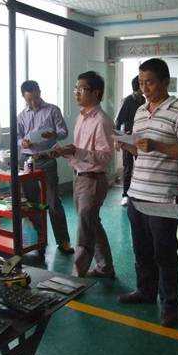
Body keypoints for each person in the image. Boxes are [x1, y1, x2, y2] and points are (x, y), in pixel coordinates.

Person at [116, 58, 178, 327]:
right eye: (141, 83)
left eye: (149, 82)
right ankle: (145, 291)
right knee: (141, 249)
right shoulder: (140, 111)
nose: (145, 88)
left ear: (165, 82)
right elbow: (141, 150)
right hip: (137, 191)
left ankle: (170, 304)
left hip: (163, 196)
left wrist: (158, 146)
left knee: (165, 252)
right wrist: (126, 145)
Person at [50, 71, 116, 278]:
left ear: (96, 93)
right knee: (92, 224)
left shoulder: (102, 121)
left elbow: (105, 157)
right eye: (75, 88)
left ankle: (77, 275)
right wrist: (66, 152)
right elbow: (80, 151)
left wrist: (76, 151)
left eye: (82, 89)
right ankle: (105, 267)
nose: (77, 92)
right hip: (80, 177)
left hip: (93, 180)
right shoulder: (81, 117)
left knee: (84, 229)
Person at [17, 80, 73, 259]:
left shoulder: (52, 110)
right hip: (27, 160)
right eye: (29, 100)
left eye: (36, 98)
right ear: (23, 97)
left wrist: (54, 134)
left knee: (53, 201)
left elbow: (64, 132)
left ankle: (63, 241)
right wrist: (22, 142)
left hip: (47, 159)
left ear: (40, 92)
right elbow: (17, 136)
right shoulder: (21, 115)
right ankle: (39, 240)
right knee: (32, 203)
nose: (33, 102)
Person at [115, 76, 145, 206]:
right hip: (128, 139)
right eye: (142, 84)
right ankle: (125, 195)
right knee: (128, 167)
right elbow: (118, 121)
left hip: (141, 137)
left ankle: (139, 193)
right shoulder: (127, 101)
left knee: (142, 166)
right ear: (138, 86)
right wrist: (118, 139)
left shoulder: (143, 100)